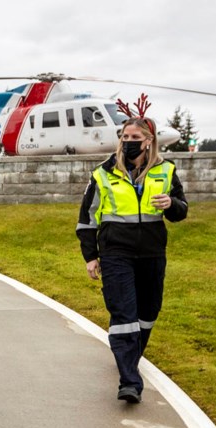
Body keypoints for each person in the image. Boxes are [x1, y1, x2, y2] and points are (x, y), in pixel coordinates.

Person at [76, 96, 188, 404]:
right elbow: (87, 218)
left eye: (135, 138)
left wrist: (171, 204)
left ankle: (130, 357)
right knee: (123, 313)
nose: (128, 142)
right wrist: (91, 256)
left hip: (152, 252)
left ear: (149, 141)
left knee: (148, 313)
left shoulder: (165, 172)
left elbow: (181, 211)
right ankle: (129, 380)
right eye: (124, 137)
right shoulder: (102, 174)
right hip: (116, 252)